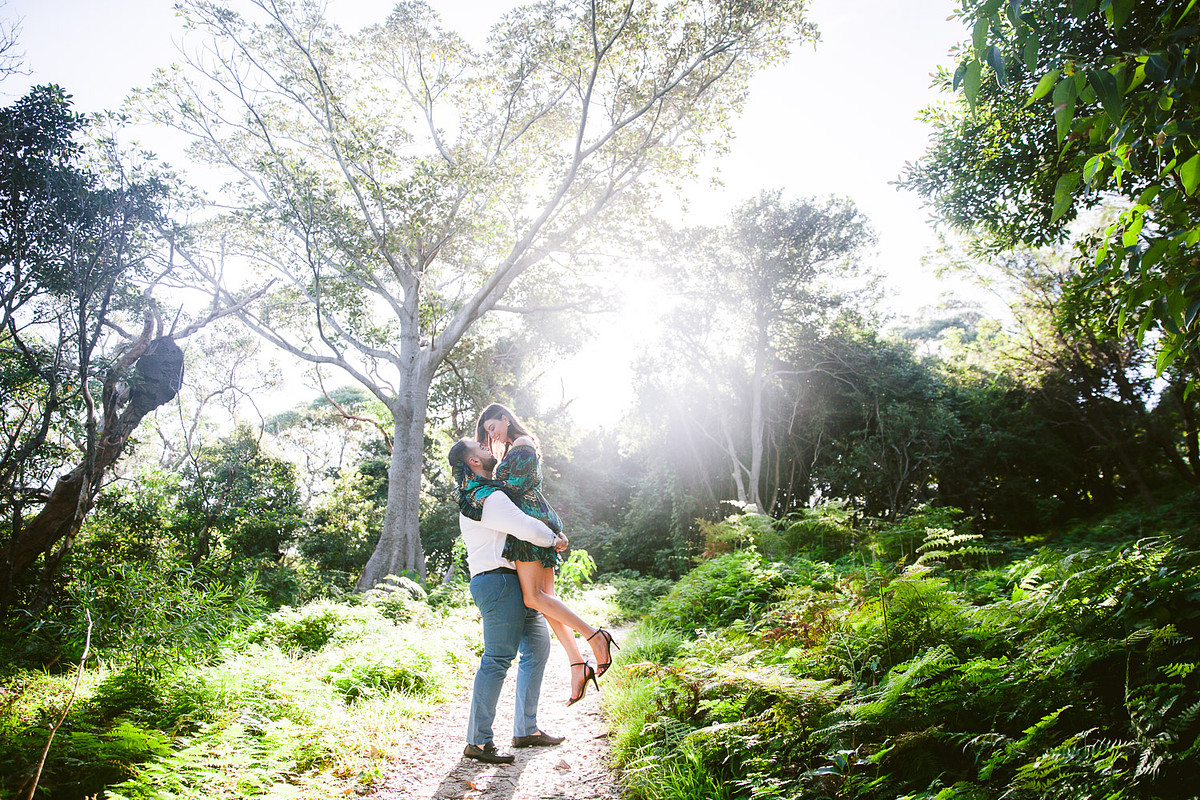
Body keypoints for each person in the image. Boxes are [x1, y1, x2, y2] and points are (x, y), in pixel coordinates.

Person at [461, 402, 617, 707]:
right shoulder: (513, 448)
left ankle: (595, 636)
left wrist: (482, 482)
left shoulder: (522, 443)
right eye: (487, 431)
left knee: (533, 598)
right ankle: (577, 665)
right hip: (534, 522)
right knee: (547, 601)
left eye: (493, 427)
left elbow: (518, 484)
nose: (491, 434)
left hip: (529, 528)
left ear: (505, 419)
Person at [449, 437, 568, 764]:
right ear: (473, 462)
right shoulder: (484, 496)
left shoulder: (493, 491)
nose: (488, 450)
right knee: (498, 658)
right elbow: (524, 526)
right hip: (497, 581)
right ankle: (478, 741)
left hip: (513, 581)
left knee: (538, 647)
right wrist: (553, 539)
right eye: (481, 449)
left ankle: (526, 729)